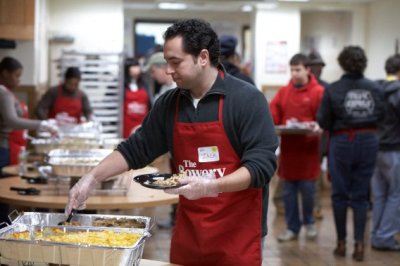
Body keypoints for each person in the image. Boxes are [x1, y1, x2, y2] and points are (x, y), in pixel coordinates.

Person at [66, 18, 278, 265]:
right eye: (166, 62)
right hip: (191, 232)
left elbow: (261, 167)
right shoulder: (169, 104)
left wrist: (211, 185)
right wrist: (92, 177)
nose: (167, 70)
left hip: (237, 234)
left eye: (175, 62)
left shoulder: (246, 100)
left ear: (203, 57)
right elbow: (136, 149)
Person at [317, 46, 384, 261]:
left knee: (339, 193)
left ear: (342, 63)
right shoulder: (375, 88)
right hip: (368, 141)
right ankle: (359, 245)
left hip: (342, 141)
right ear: (363, 63)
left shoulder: (334, 88)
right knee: (361, 195)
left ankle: (341, 243)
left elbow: (323, 120)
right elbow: (381, 115)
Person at [270, 53, 324, 242]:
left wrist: (316, 126)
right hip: (289, 152)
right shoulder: (284, 92)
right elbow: (273, 113)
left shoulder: (318, 92)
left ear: (307, 70)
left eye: (298, 69)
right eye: (292, 70)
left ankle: (309, 224)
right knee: (289, 193)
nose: (294, 73)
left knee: (308, 192)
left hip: (308, 152)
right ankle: (292, 227)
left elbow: (323, 119)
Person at [0, 56, 58, 222]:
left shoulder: (8, 93)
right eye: (17, 75)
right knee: (3, 194)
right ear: (5, 73)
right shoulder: (2, 93)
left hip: (13, 146)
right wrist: (41, 124)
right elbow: (11, 120)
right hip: (4, 148)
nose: (19, 80)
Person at [371, 54, 400, 251]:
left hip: (375, 148)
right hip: (395, 150)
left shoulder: (375, 89)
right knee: (396, 195)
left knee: (380, 195)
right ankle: (385, 237)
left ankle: (377, 234)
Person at [307, 51, 330, 220]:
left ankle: (315, 207)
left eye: (319, 66)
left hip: (321, 137)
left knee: (316, 174)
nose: (317, 69)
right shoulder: (298, 85)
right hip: (301, 137)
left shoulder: (326, 87)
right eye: (314, 66)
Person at [123, 58, 151, 138]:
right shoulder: (121, 87)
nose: (137, 68)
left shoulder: (144, 85)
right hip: (126, 127)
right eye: (134, 66)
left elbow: (150, 106)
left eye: (137, 65)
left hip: (142, 126)